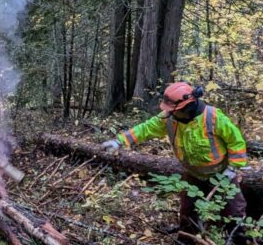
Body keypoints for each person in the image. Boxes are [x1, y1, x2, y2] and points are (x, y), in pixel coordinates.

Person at [102, 82, 249, 234]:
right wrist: (119, 141)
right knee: (188, 210)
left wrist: (233, 168)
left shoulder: (213, 118)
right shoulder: (168, 119)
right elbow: (145, 129)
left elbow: (236, 141)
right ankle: (187, 241)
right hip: (193, 174)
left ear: (188, 107)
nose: (170, 113)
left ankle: (239, 241)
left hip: (222, 173)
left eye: (174, 110)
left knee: (233, 208)